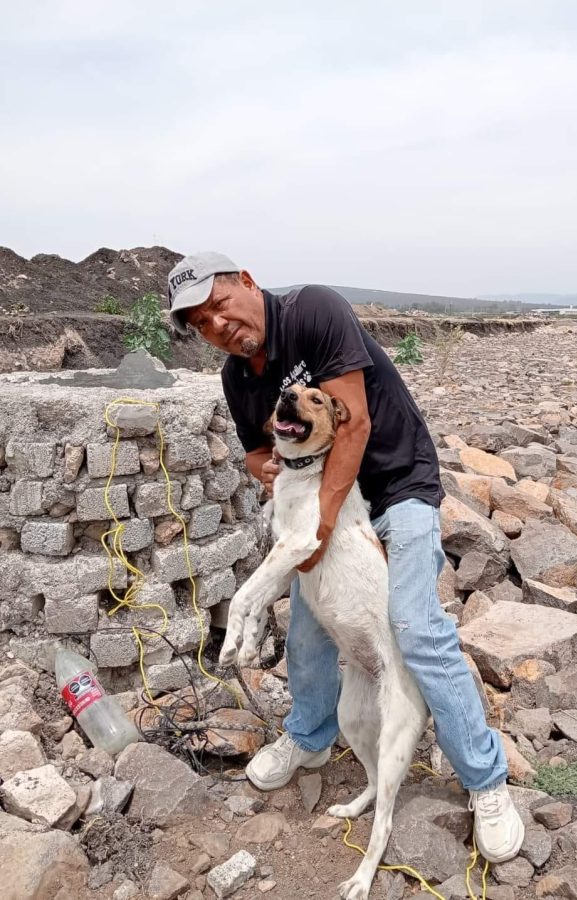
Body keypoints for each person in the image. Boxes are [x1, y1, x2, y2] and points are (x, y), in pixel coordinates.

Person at [167, 251, 524, 863]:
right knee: (308, 629)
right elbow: (255, 453)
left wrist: (323, 523)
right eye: (201, 324)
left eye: (219, 305)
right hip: (324, 497)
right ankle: (309, 737)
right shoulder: (237, 377)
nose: (217, 325)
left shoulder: (314, 311)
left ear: (247, 282)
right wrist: (271, 469)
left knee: (415, 627)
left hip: (395, 487)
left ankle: (485, 779)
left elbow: (352, 425)